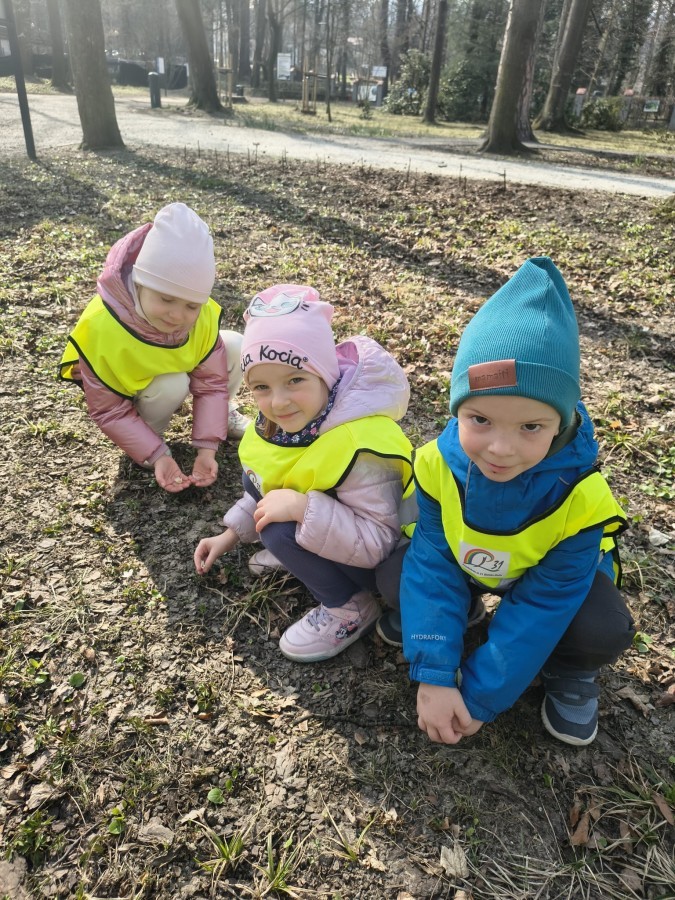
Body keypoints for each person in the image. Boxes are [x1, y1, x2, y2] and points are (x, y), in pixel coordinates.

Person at [398, 257, 634, 747]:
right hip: (473, 566)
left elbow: (547, 600)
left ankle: (569, 670)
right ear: (457, 409)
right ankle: (459, 623)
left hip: (547, 584)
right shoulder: (437, 463)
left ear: (561, 423)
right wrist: (434, 672)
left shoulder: (581, 496)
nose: (500, 449)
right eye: (480, 420)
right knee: (394, 575)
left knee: (601, 628)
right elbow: (433, 559)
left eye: (530, 426)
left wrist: (481, 694)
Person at [194, 284, 414, 662]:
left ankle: (349, 606)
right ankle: (303, 552)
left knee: (278, 529)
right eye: (262, 387)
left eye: (295, 380)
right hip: (339, 531)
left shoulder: (358, 445)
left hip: (389, 566)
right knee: (265, 500)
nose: (278, 401)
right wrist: (230, 535)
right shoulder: (283, 424)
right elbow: (265, 484)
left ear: (324, 374)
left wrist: (301, 509)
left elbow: (379, 541)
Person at [59, 203, 250, 493]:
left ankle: (221, 416)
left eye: (191, 306)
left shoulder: (202, 317)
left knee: (233, 344)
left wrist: (207, 447)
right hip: (137, 396)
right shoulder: (103, 326)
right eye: (166, 299)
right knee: (172, 383)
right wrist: (158, 456)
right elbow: (110, 411)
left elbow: (212, 383)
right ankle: (150, 440)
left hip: (172, 368)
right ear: (139, 284)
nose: (177, 315)